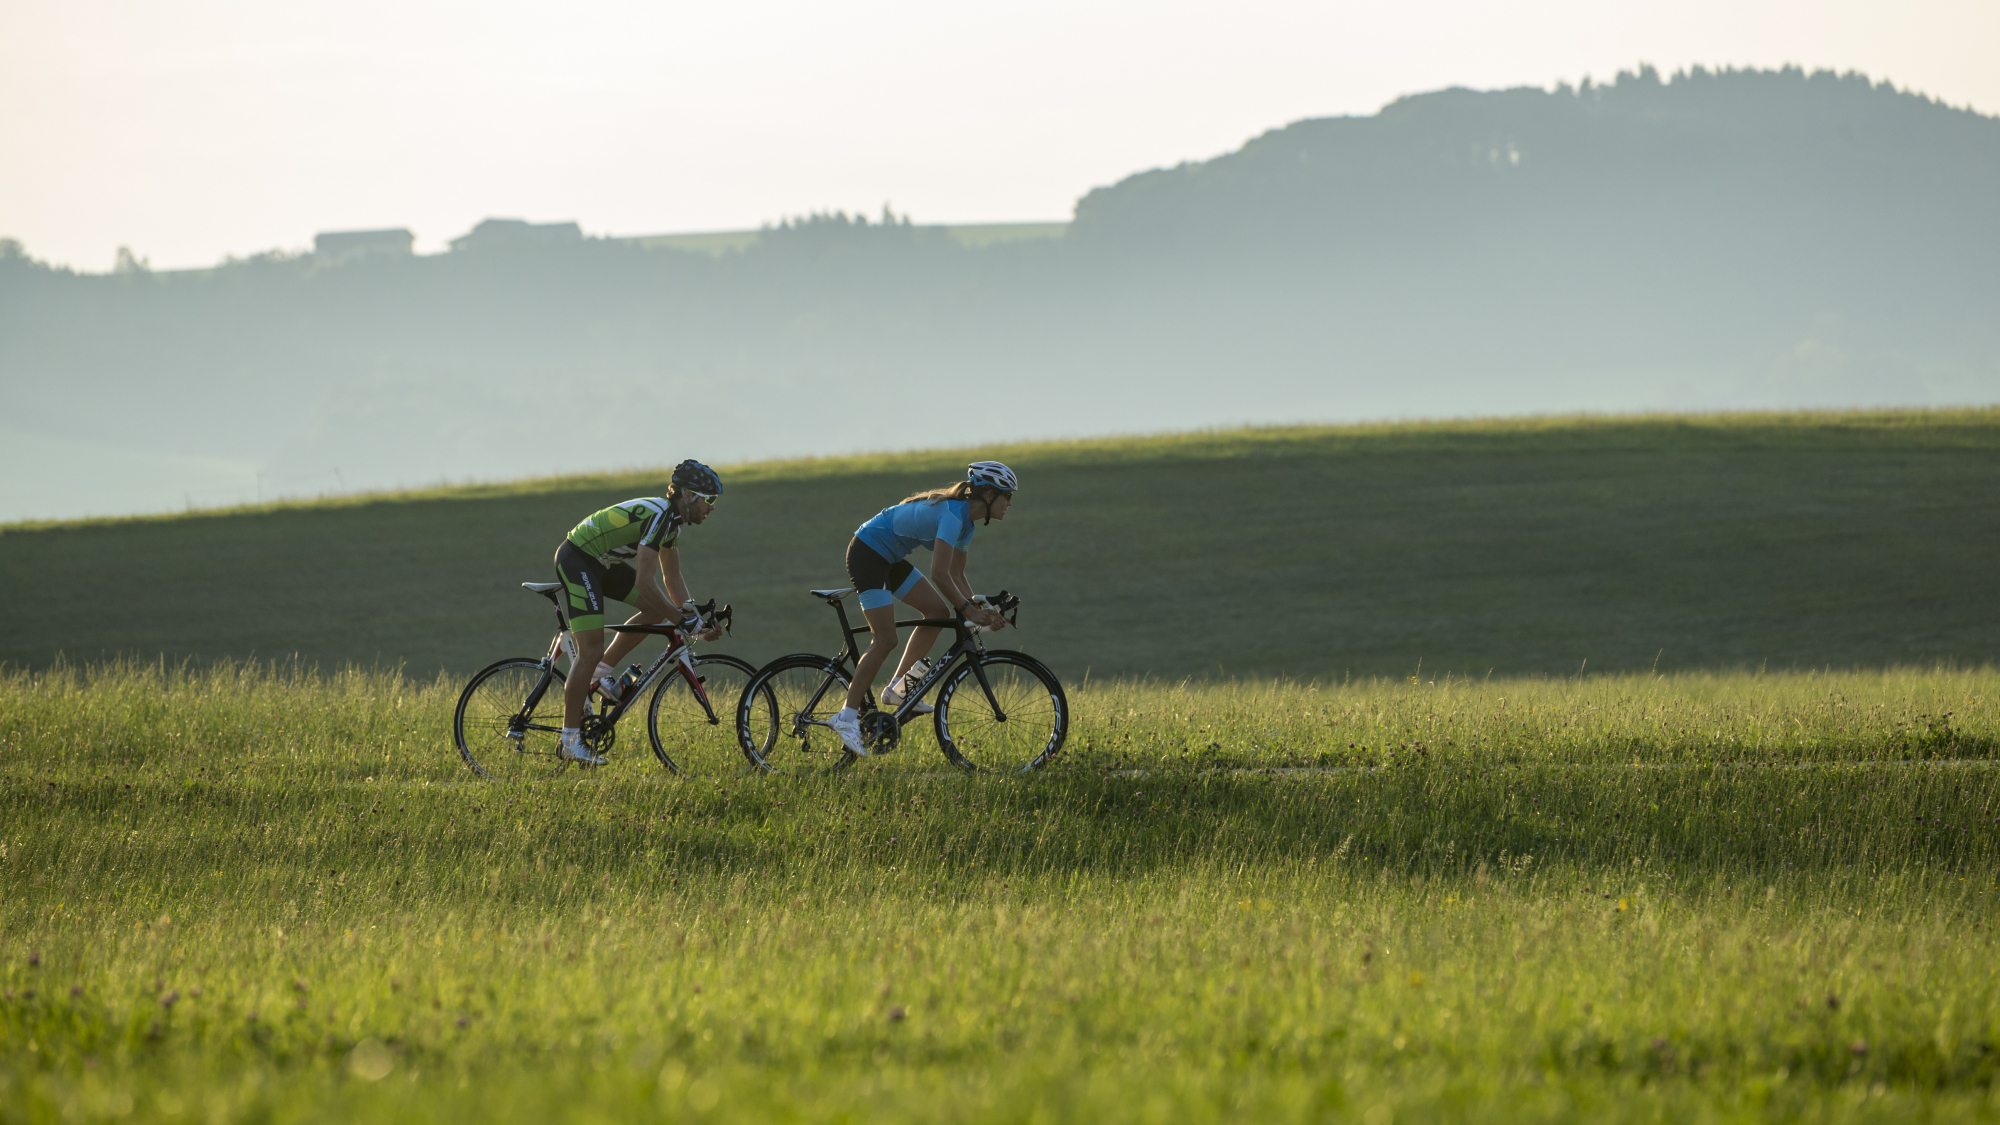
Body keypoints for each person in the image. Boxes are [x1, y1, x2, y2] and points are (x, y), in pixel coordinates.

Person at [829, 460, 1017, 755]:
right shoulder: (953, 517)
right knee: (886, 639)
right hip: (867, 552)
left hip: (889, 557)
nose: (1010, 503)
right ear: (989, 495)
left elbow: (956, 576)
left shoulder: (967, 523)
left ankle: (898, 688)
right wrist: (969, 611)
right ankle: (846, 717)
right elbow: (939, 574)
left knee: (938, 613)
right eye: (1007, 495)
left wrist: (982, 609)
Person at [553, 459, 724, 765]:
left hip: (601, 562)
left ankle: (599, 676)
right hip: (579, 559)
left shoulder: (671, 523)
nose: (712, 508)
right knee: (590, 649)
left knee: (653, 611)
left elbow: (672, 579)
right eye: (708, 500)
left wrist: (695, 622)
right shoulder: (661, 518)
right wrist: (681, 620)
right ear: (688, 496)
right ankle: (569, 740)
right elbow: (645, 582)